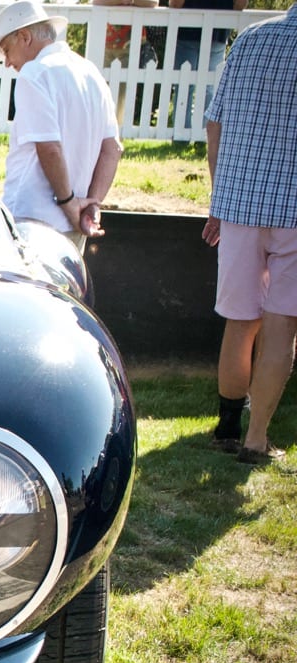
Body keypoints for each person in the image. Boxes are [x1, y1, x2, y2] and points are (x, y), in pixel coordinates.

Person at [200, 3, 296, 464]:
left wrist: (219, 198)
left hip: (239, 202)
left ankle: (226, 427)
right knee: (281, 324)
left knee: (240, 320)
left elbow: (214, 123)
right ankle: (256, 439)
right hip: (294, 209)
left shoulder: (251, 39)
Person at [0, 0, 123, 253]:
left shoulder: (35, 73)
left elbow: (50, 148)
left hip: (33, 220)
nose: (7, 62)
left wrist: (69, 203)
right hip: (76, 222)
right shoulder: (91, 72)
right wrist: (91, 204)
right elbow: (112, 149)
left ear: (24, 37)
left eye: (6, 50)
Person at [169, 0, 249, 129]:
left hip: (188, 31)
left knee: (184, 84)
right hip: (218, 32)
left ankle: (181, 132)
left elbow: (175, 4)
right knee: (211, 87)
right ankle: (205, 132)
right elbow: (240, 4)